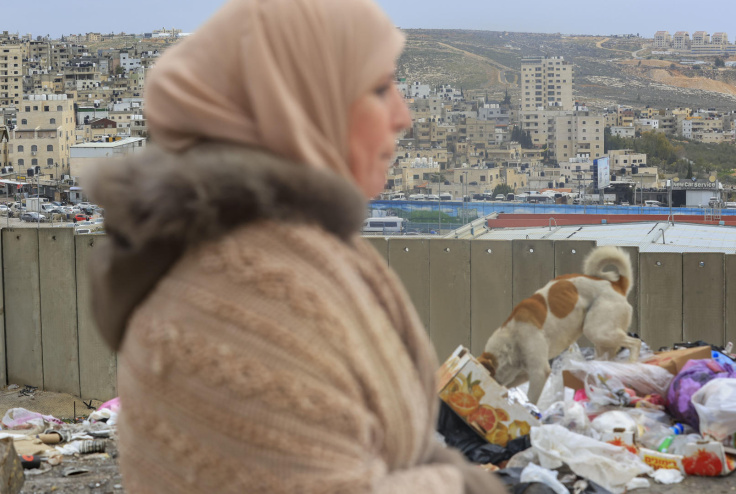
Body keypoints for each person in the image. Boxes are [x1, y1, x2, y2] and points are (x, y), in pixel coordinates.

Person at [86, 0, 508, 492]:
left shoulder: (304, 249)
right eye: (378, 89)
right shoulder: (232, 304)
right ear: (299, 107)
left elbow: (396, 443)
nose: (403, 116)